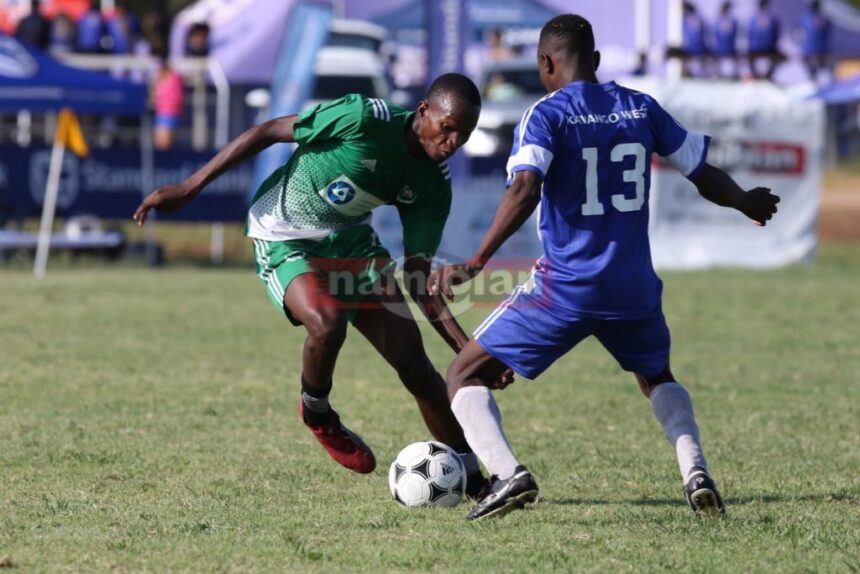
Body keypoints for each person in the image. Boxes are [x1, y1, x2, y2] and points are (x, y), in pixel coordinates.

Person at [430, 14, 780, 520]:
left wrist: (476, 260)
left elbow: (525, 187)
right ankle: (695, 472)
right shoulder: (641, 107)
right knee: (657, 375)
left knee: (463, 374)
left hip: (567, 286)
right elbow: (701, 172)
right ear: (594, 62)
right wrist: (745, 200)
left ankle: (508, 476)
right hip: (633, 286)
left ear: (545, 63)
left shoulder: (546, 114)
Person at [133, 73, 499, 497]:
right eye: (447, 127)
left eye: (465, 134)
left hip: (351, 243)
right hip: (283, 233)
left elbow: (418, 278)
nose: (452, 142)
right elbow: (268, 130)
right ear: (423, 112)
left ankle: (472, 478)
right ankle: (318, 412)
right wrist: (189, 187)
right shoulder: (363, 118)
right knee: (327, 324)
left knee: (414, 364)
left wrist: (469, 353)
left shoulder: (433, 183)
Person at [152, 56, 184, 150]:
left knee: (165, 143)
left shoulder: (174, 78)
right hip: (161, 113)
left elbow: (175, 99)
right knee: (159, 142)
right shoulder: (160, 81)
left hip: (170, 114)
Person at [797, 0, 832, 83]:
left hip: (818, 50)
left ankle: (816, 79)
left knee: (822, 68)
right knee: (811, 68)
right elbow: (798, 32)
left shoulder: (821, 18)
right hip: (811, 50)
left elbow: (827, 33)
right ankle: (813, 78)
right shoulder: (806, 17)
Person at [746, 0, 783, 80]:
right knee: (776, 57)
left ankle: (760, 75)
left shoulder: (753, 17)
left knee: (750, 57)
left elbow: (749, 33)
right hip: (768, 48)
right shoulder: (772, 17)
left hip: (755, 48)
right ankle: (767, 75)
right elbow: (776, 34)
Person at [711, 1, 739, 79]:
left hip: (728, 50)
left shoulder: (731, 21)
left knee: (731, 73)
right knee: (720, 73)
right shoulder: (720, 21)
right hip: (722, 50)